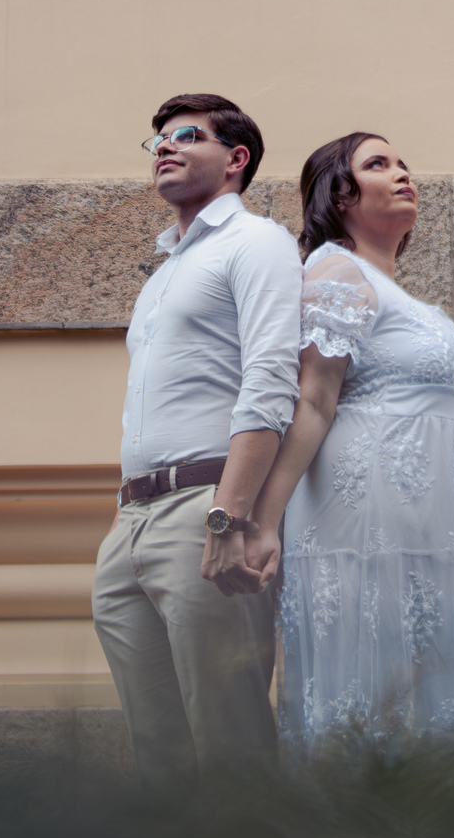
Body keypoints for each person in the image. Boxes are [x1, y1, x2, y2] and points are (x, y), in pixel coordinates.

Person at [244, 133, 454, 753]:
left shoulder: (415, 306)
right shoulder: (335, 271)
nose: (402, 174)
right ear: (340, 194)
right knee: (380, 706)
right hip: (369, 531)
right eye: (378, 164)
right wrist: (263, 523)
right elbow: (313, 401)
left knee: (439, 717)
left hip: (443, 540)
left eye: (404, 165)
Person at [92, 92, 302, 782]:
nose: (164, 147)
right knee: (159, 757)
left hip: (204, 509)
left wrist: (228, 517)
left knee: (229, 744)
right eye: (157, 139)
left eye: (186, 136)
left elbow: (270, 382)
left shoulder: (257, 242)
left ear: (236, 159)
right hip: (132, 520)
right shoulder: (164, 272)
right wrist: (123, 518)